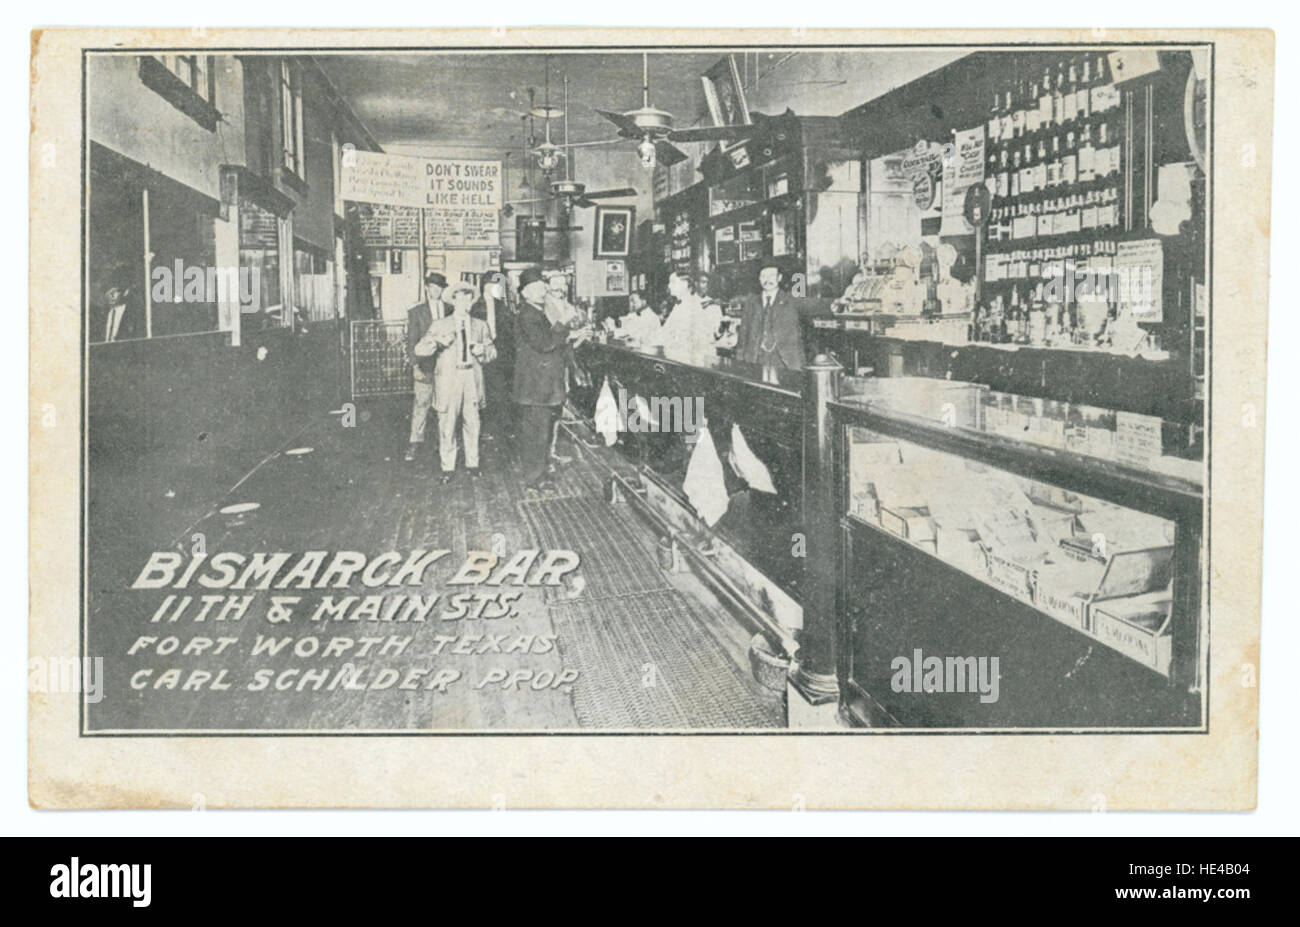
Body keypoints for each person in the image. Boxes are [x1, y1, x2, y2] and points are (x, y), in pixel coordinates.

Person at [414, 283, 496, 483]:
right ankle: (447, 468)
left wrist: (483, 351)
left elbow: (493, 352)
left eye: (468, 299)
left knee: (473, 422)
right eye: (459, 299)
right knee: (447, 424)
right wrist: (437, 342)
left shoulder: (480, 325)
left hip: (471, 378)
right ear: (453, 301)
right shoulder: (440, 325)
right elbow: (419, 350)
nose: (464, 303)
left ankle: (473, 464)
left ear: (471, 301)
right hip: (449, 379)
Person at [404, 271, 447, 462]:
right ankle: (415, 443)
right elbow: (411, 340)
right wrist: (415, 364)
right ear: (427, 288)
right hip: (425, 366)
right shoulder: (416, 312)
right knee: (421, 404)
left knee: (444, 407)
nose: (435, 290)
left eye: (439, 287)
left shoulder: (451, 310)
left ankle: (443, 442)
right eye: (432, 287)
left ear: (442, 289)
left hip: (446, 368)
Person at [736, 263, 805, 370]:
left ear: (779, 278)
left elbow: (813, 304)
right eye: (763, 276)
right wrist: (740, 362)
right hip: (756, 359)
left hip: (783, 361)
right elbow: (743, 336)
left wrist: (837, 302)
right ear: (759, 279)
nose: (767, 280)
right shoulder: (751, 302)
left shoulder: (790, 300)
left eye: (771, 276)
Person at [472, 272, 514, 438]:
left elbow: (508, 332)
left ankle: (503, 427)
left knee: (500, 391)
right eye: (493, 285)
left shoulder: (501, 307)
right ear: (485, 286)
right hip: (481, 355)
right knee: (482, 393)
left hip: (500, 356)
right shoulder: (475, 306)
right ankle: (484, 428)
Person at [658, 271, 721, 367]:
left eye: (673, 282)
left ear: (684, 284)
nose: (669, 286)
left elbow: (701, 341)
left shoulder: (692, 305)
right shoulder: (679, 305)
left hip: (689, 362)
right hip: (677, 359)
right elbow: (665, 333)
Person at [92, 270, 143, 343]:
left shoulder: (134, 316)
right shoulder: (101, 315)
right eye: (108, 291)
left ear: (125, 292)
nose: (111, 295)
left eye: (115, 291)